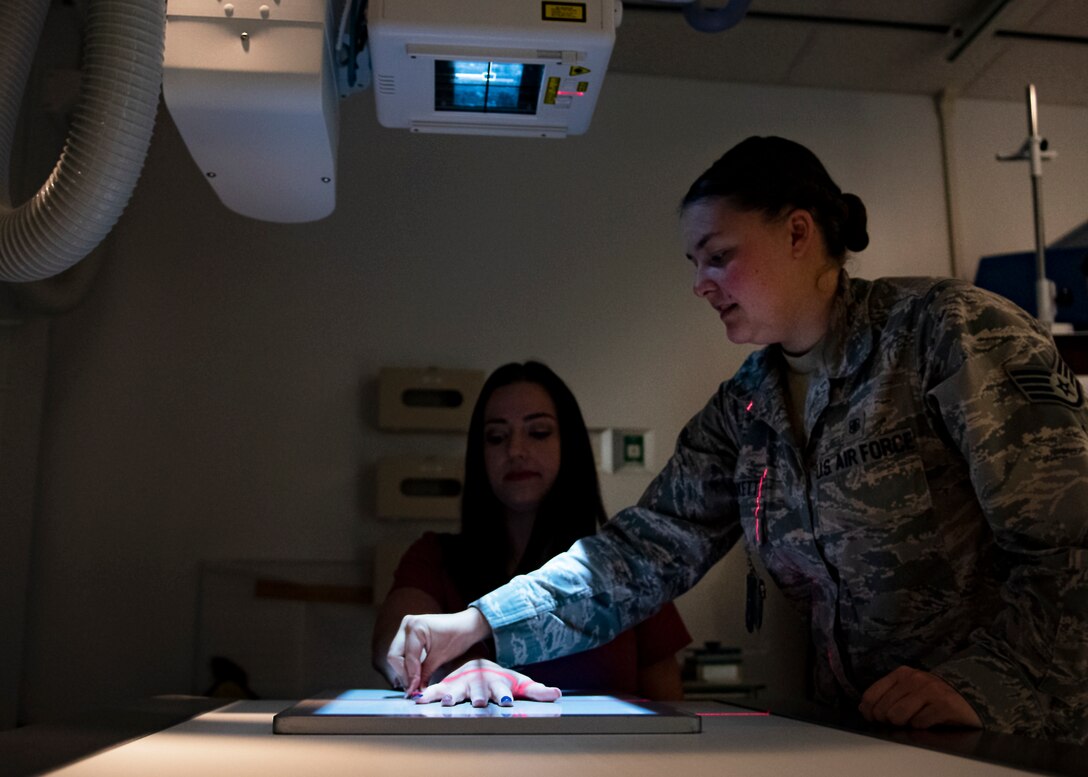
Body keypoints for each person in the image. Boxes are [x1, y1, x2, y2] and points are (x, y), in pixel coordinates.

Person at [385, 137, 1088, 743]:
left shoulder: (950, 336)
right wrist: (477, 621)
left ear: (797, 233)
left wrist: (982, 686)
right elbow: (638, 553)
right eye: (693, 262)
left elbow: (1071, 547)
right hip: (870, 735)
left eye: (717, 255)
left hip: (1010, 732)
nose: (699, 283)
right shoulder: (748, 409)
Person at [372, 360, 692, 707]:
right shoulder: (434, 556)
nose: (516, 451)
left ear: (569, 445)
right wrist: (459, 672)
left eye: (538, 432)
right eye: (497, 437)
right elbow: (396, 642)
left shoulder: (626, 569)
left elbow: (670, 711)